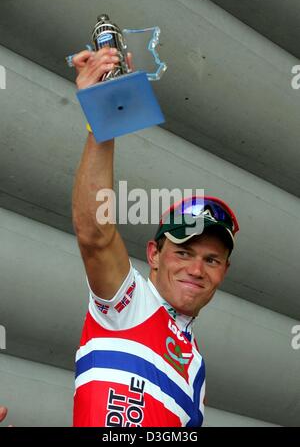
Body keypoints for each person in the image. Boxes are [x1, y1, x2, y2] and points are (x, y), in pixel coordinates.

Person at [71, 47, 239, 427]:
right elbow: (95, 234)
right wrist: (103, 115)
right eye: (183, 252)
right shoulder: (129, 300)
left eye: (211, 260)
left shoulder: (197, 366)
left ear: (224, 272)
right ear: (154, 254)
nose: (196, 269)